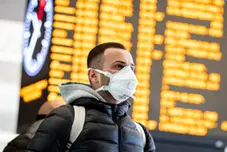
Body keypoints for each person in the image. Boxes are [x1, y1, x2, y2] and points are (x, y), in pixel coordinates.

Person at [26, 42, 156, 152]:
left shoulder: (140, 133)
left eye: (131, 68)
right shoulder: (68, 119)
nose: (128, 74)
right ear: (94, 76)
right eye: (119, 66)